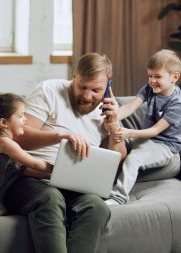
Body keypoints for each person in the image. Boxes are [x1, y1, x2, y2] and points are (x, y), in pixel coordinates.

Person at [8, 53, 127, 253]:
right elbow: (19, 136)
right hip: (31, 179)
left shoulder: (108, 111)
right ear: (74, 76)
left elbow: (117, 157)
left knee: (98, 208)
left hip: (76, 186)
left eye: (96, 90)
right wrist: (61, 136)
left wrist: (114, 126)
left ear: (108, 86)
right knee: (51, 199)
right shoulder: (49, 90)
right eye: (82, 86)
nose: (88, 96)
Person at [102, 49, 181, 205]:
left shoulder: (177, 104)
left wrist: (128, 133)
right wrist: (113, 114)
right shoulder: (149, 89)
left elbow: (155, 131)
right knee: (110, 136)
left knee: (133, 159)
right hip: (145, 140)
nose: (152, 80)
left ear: (174, 77)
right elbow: (128, 109)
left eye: (157, 76)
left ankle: (118, 197)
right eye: (149, 76)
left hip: (164, 145)